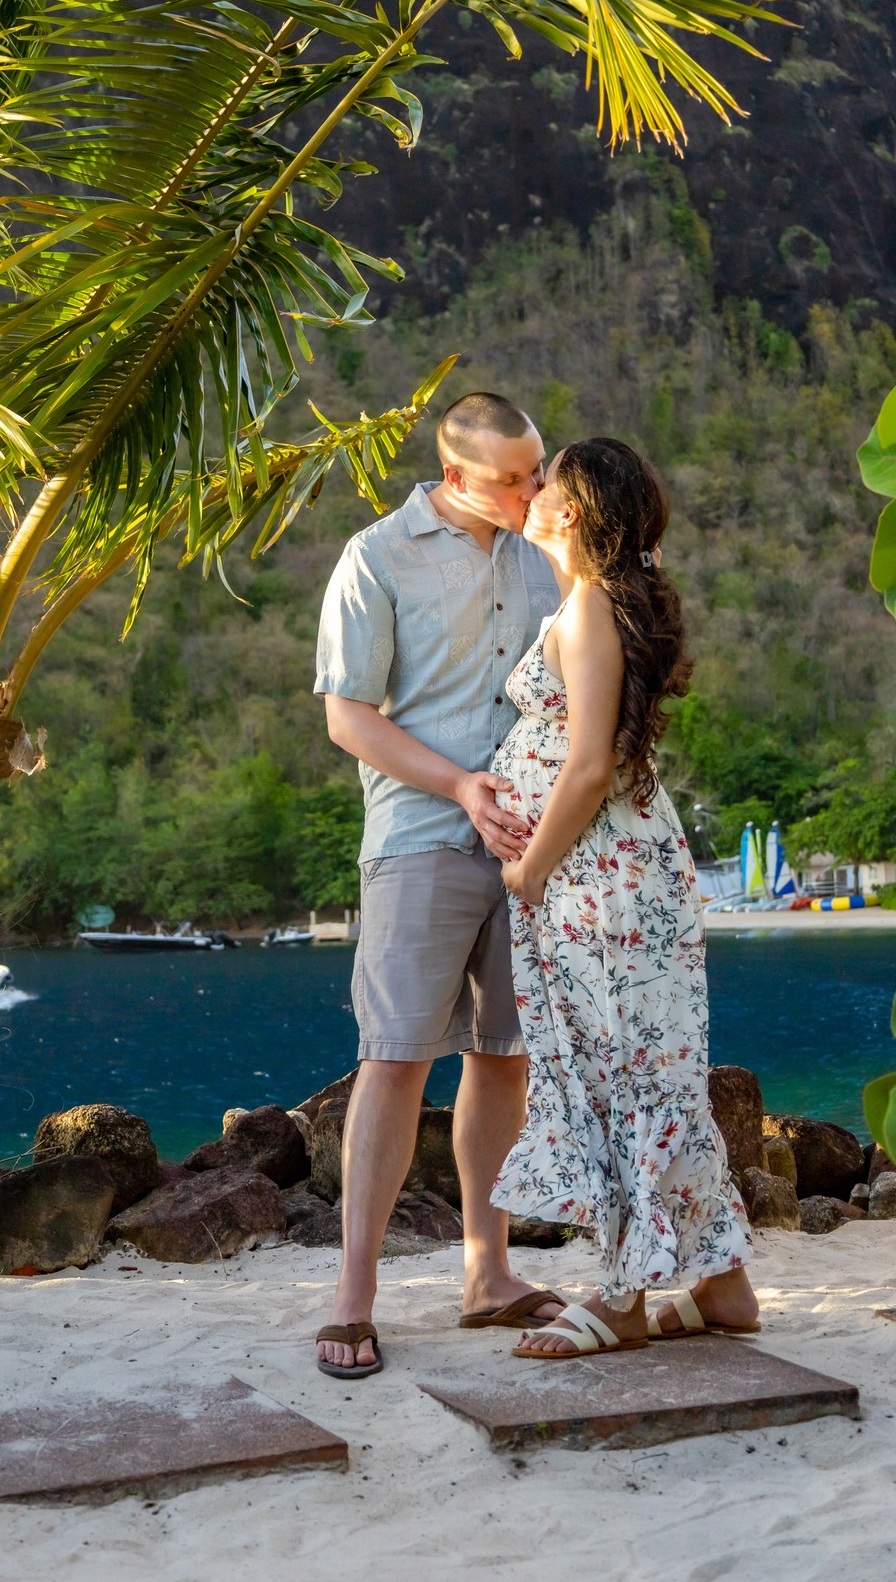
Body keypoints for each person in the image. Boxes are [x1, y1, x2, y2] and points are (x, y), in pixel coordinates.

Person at [311, 391, 566, 1378]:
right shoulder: (376, 555)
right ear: (455, 475)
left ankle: (487, 1274)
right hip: (420, 832)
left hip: (534, 846)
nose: (533, 490)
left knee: (504, 1053)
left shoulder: (551, 548)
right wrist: (461, 783)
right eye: (513, 478)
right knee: (396, 1054)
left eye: (537, 468)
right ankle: (354, 1296)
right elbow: (348, 716)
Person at [491, 437, 758, 1358]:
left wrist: (528, 870)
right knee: (643, 1077)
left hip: (600, 884)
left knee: (621, 1077)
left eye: (546, 484)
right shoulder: (586, 603)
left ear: (573, 510)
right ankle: (719, 1287)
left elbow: (591, 763)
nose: (529, 495)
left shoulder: (592, 607)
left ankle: (619, 1296)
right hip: (603, 879)